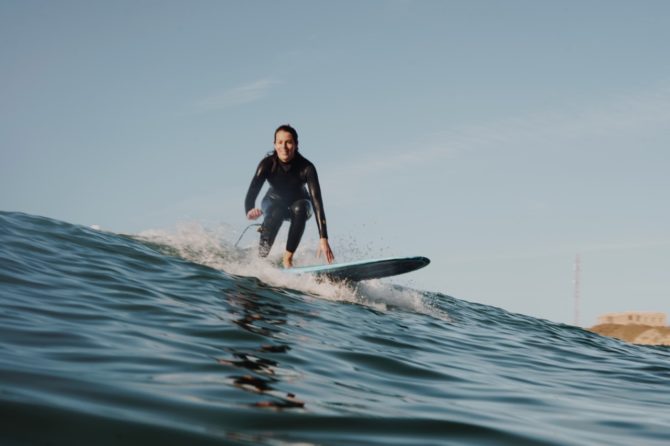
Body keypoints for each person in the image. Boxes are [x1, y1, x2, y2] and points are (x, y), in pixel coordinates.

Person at [244, 124, 335, 268]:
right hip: (273, 201)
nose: (284, 147)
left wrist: (323, 238)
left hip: (300, 203)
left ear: (296, 144)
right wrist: (249, 210)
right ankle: (259, 261)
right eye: (280, 142)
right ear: (274, 144)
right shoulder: (267, 165)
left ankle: (287, 259)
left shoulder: (307, 168)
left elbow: (317, 202)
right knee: (276, 212)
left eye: (288, 142)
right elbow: (252, 193)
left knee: (300, 208)